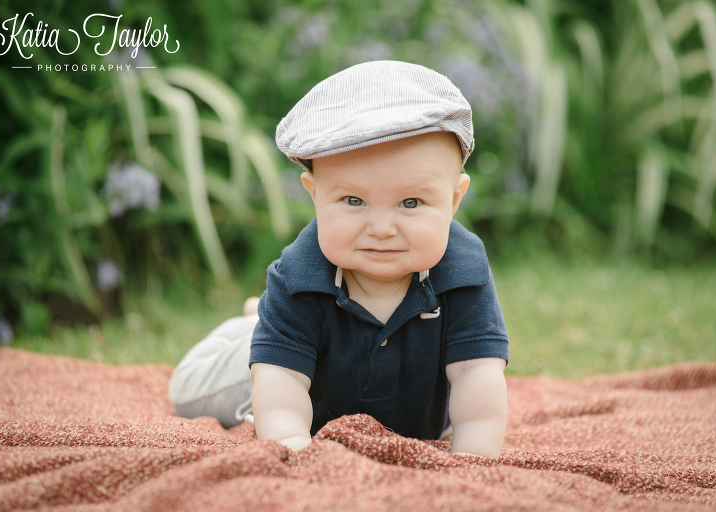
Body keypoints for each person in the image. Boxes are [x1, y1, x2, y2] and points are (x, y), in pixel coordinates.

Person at [170, 60, 510, 458]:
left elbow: (477, 375)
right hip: (282, 374)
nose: (382, 227)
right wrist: (293, 449)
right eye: (354, 200)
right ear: (314, 195)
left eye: (411, 202)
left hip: (416, 408)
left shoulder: (463, 273)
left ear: (453, 200)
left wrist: (474, 458)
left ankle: (269, 321)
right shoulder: (299, 278)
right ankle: (264, 330)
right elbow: (280, 389)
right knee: (189, 390)